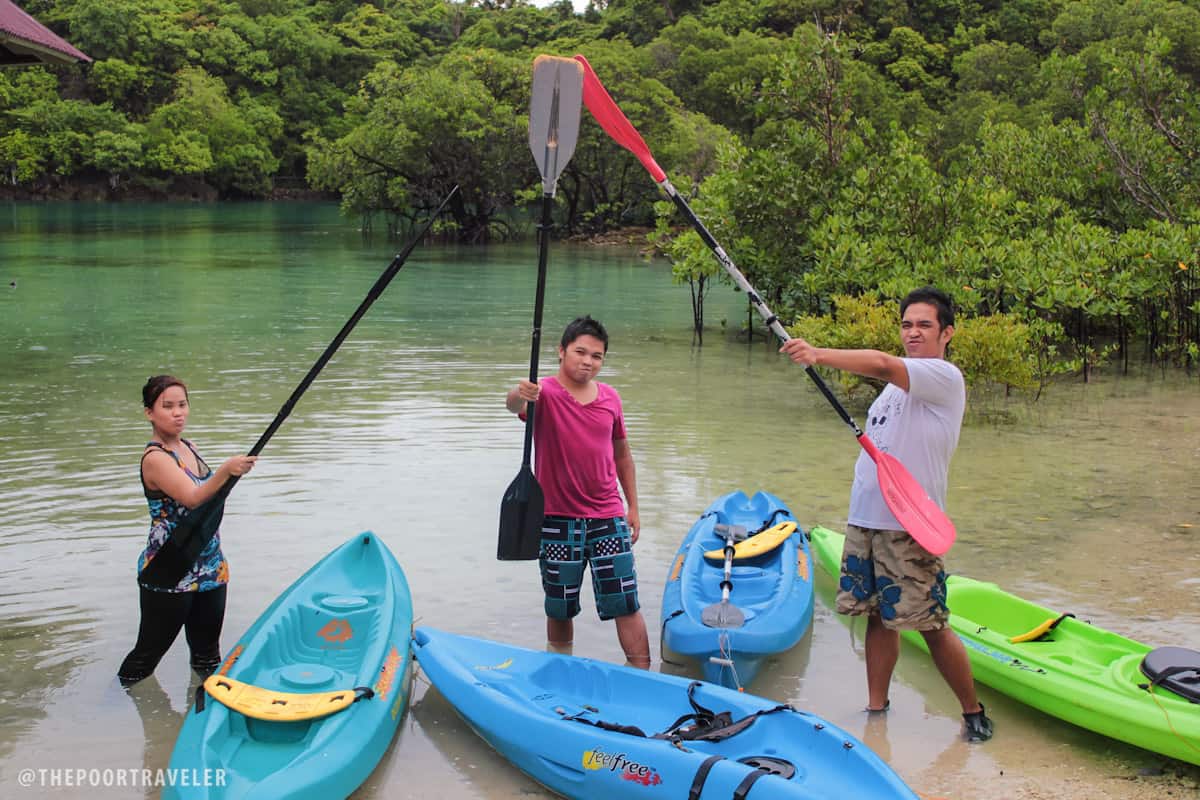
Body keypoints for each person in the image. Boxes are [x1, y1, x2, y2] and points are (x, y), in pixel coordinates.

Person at [780, 287, 993, 742]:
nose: (913, 333)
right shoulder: (894, 395)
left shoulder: (942, 376)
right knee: (875, 616)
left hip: (909, 525)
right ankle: (877, 709)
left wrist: (817, 354)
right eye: (906, 325)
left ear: (947, 333)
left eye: (924, 325)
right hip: (867, 520)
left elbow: (880, 363)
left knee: (931, 624)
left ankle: (972, 712)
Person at [505, 316, 651, 669]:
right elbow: (513, 405)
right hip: (556, 519)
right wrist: (518, 393)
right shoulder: (544, 393)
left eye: (597, 356)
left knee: (626, 601)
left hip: (608, 517)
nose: (588, 361)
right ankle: (560, 670)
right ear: (561, 351)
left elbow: (622, 455)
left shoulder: (611, 398)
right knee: (560, 605)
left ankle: (645, 676)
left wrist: (633, 507)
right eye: (580, 352)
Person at [118, 375, 257, 686]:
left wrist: (229, 475)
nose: (178, 412)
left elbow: (210, 493)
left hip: (210, 567)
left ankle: (207, 712)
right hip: (170, 570)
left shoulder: (189, 447)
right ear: (149, 413)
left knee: (208, 657)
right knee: (146, 656)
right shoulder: (155, 459)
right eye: (167, 406)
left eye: (182, 405)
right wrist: (226, 470)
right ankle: (114, 707)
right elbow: (193, 498)